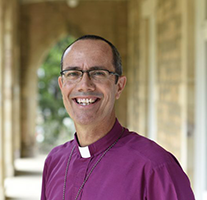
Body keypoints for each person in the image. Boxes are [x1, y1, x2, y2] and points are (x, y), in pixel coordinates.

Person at [40, 35, 195, 200]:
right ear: (62, 85)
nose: (84, 84)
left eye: (98, 73)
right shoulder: (54, 162)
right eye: (73, 73)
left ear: (119, 86)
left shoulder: (155, 167)